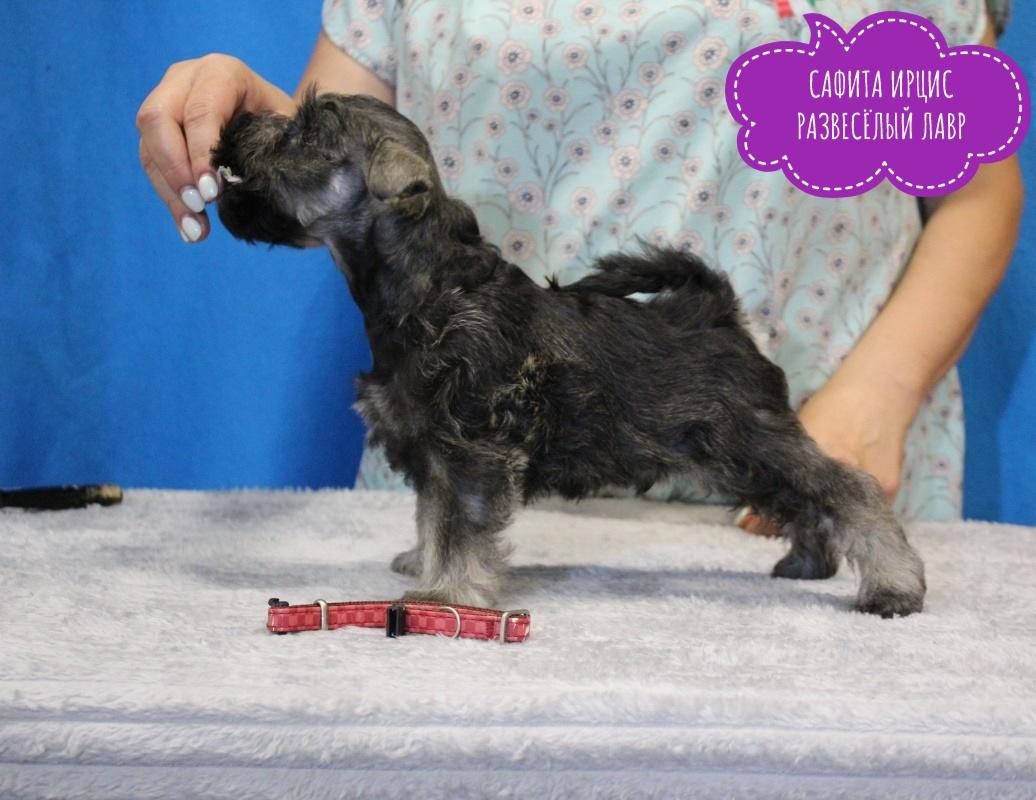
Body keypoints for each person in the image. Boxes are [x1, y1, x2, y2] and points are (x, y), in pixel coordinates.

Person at [137, 0, 1021, 530]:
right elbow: (344, 176)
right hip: (465, 479)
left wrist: (878, 396)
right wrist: (251, 130)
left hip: (787, 463)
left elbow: (976, 192)